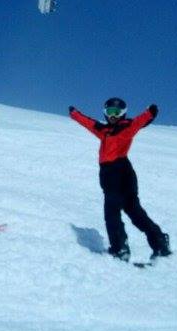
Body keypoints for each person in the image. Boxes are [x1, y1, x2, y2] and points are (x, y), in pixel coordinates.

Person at [69, 97, 171, 261]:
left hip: (118, 174)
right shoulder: (104, 131)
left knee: (113, 211)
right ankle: (159, 242)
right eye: (110, 112)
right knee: (133, 211)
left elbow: (139, 121)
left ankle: (120, 248)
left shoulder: (126, 127)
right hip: (118, 174)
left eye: (116, 112)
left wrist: (150, 113)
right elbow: (88, 123)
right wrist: (74, 114)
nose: (113, 116)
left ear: (123, 113)